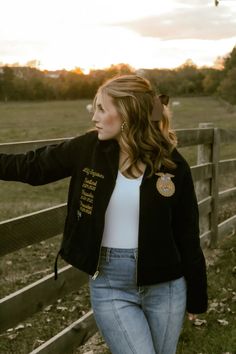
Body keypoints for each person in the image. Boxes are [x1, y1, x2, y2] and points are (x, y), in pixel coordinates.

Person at [0, 74, 208, 354]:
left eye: (101, 109)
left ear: (126, 113)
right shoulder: (88, 149)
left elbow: (186, 233)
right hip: (111, 285)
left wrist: (197, 297)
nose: (94, 117)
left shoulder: (170, 163)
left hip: (166, 287)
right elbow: (32, 167)